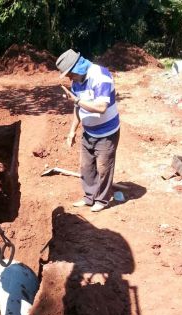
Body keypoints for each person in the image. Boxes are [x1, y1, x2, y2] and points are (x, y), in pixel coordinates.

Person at [56, 49, 120, 212]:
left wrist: (76, 99)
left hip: (107, 133)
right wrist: (72, 131)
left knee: (104, 168)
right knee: (86, 167)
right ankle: (89, 197)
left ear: (78, 67)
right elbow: (78, 108)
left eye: (70, 74)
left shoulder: (100, 76)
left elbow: (101, 107)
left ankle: (102, 200)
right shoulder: (77, 81)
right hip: (89, 132)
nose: (70, 78)